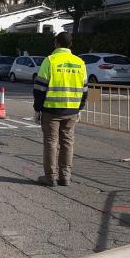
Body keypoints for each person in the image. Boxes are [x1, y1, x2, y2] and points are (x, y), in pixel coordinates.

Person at [33, 32, 88, 187]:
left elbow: (39, 88)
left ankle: (50, 177)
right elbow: (85, 90)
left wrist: (38, 109)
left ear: (56, 43)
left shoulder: (50, 60)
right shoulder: (80, 63)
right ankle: (65, 177)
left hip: (51, 110)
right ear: (70, 45)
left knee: (51, 142)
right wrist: (80, 108)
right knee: (67, 143)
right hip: (71, 110)